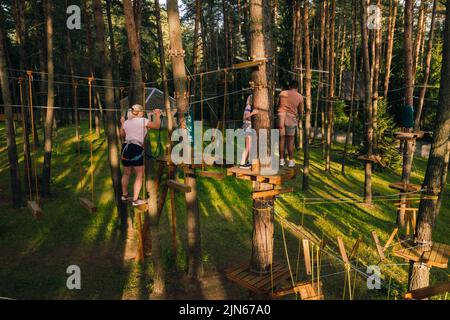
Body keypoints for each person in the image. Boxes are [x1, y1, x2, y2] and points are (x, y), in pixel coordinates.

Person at [120, 104, 162, 206]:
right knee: (139, 174)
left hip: (125, 148)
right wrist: (157, 115)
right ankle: (135, 200)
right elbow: (157, 126)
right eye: (142, 111)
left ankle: (124, 195)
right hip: (135, 148)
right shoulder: (143, 120)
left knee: (126, 173)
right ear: (139, 112)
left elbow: (121, 135)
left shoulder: (126, 122)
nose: (143, 112)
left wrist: (122, 123)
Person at [277, 80, 304, 167]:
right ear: (297, 87)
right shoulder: (300, 97)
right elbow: (301, 111)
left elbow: (278, 104)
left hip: (281, 117)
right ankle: (291, 161)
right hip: (291, 118)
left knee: (282, 139)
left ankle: (281, 160)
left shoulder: (282, 93)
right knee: (290, 140)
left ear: (289, 86)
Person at [240, 94, 258, 169]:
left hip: (248, 128)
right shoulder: (248, 107)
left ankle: (245, 162)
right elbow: (245, 117)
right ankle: (243, 163)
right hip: (247, 128)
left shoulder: (249, 107)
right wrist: (253, 113)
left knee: (248, 146)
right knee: (248, 147)